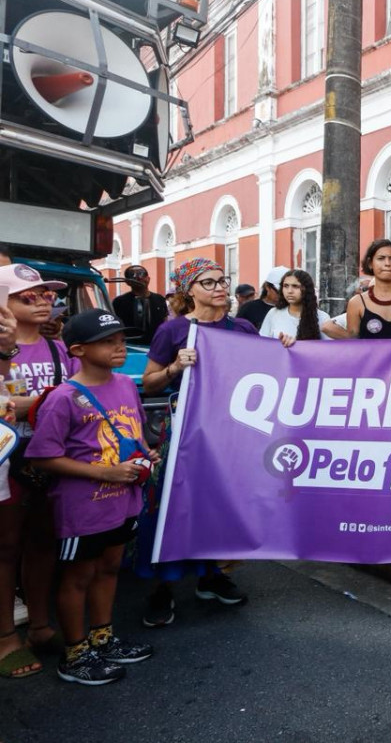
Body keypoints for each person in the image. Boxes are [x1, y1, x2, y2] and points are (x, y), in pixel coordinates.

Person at [26, 310, 154, 685]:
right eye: (108, 341)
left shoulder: (126, 385)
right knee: (78, 576)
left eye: (120, 339)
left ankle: (102, 636)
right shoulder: (64, 398)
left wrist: (146, 455)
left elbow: (136, 430)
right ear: (79, 350)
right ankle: (76, 652)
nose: (119, 347)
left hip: (123, 500)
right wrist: (104, 473)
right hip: (83, 507)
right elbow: (43, 455)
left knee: (111, 567)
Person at [139, 258, 259, 626]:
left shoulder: (241, 327)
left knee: (219, 502)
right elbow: (150, 382)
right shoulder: (172, 330)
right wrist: (175, 368)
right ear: (189, 291)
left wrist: (284, 343)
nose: (220, 287)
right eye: (208, 283)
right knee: (171, 503)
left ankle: (212, 575)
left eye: (223, 280)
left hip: (228, 432)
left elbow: (267, 368)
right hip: (187, 428)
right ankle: (162, 585)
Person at [0, 264, 75, 679]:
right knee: (6, 546)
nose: (45, 300)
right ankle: (6, 636)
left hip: (48, 456)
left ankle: (41, 625)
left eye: (48, 294)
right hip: (8, 457)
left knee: (43, 541)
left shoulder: (57, 347)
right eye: (31, 296)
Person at [346, 239, 391, 339]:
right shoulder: (356, 303)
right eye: (381, 258)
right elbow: (353, 344)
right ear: (370, 263)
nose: (387, 263)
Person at [260, 269, 331, 345]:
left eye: (295, 286)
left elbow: (328, 350)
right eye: (286, 286)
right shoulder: (274, 313)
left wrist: (296, 346)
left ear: (306, 289)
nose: (289, 291)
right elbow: (262, 344)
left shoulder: (322, 317)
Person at [112, 265, 168, 346]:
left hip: (157, 346)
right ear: (127, 282)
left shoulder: (160, 299)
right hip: (130, 347)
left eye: (142, 274)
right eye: (133, 275)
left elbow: (165, 321)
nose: (139, 278)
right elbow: (115, 328)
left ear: (148, 278)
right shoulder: (119, 302)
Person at [236, 266, 288, 330]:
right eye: (278, 291)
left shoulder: (293, 309)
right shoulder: (249, 308)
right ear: (267, 287)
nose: (282, 295)